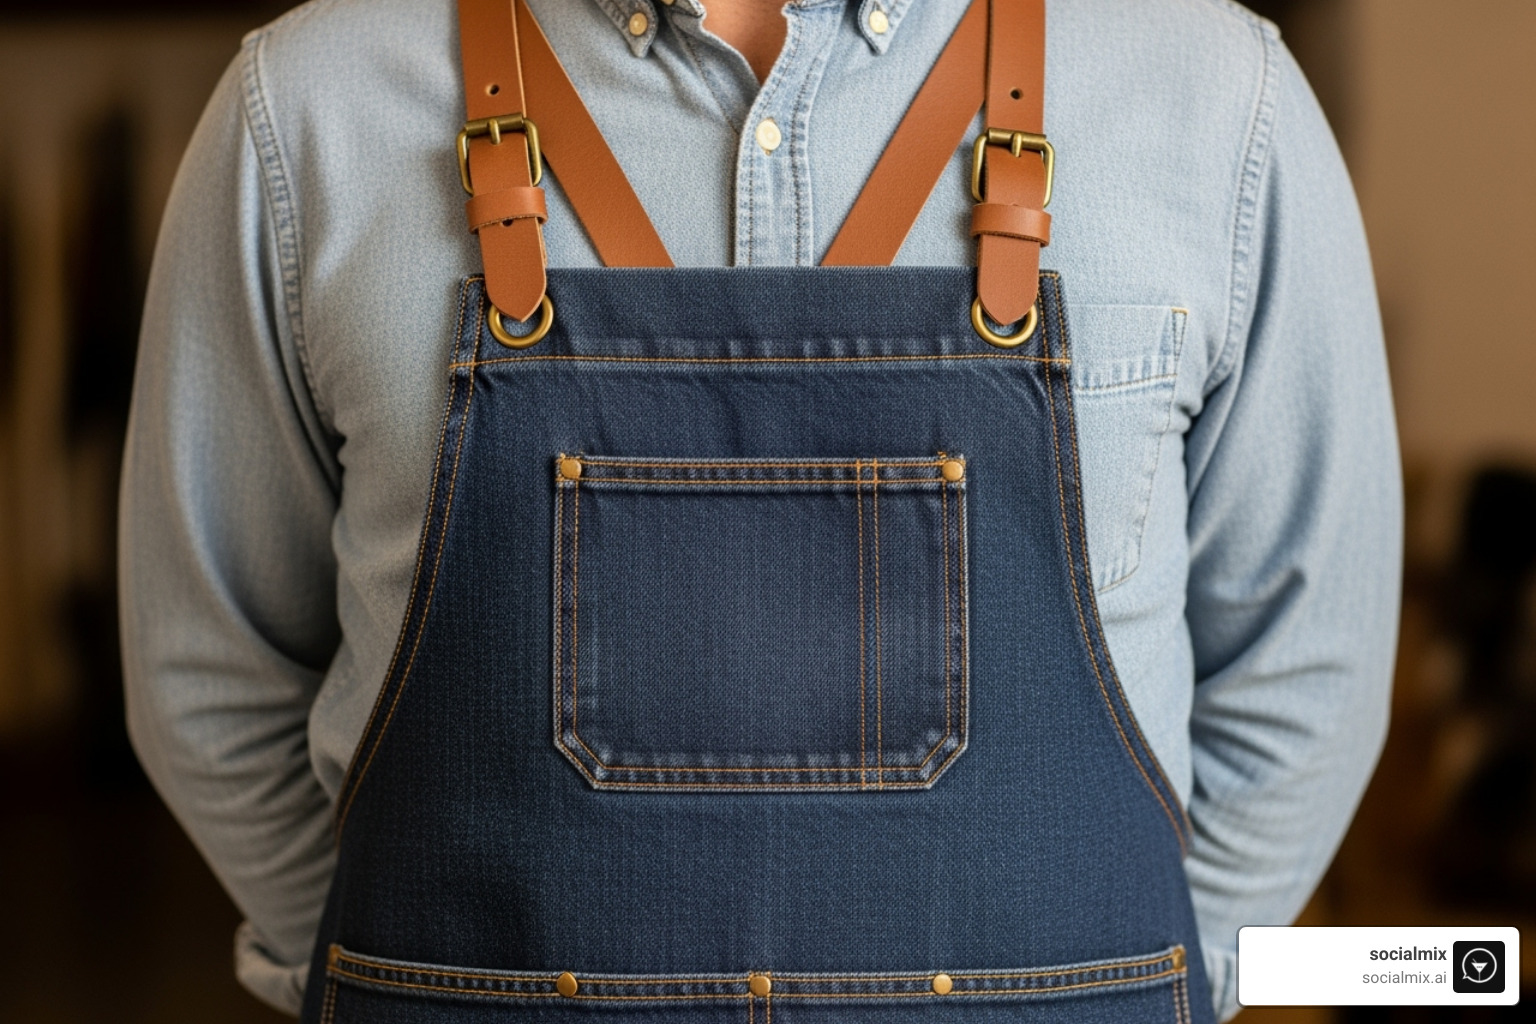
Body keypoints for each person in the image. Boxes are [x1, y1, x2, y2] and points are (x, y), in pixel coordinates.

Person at [121, 1, 1401, 1020]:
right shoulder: (306, 113)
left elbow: (1309, 674)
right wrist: (394, 977)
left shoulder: (1220, 104)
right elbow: (209, 676)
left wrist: (1143, 984)